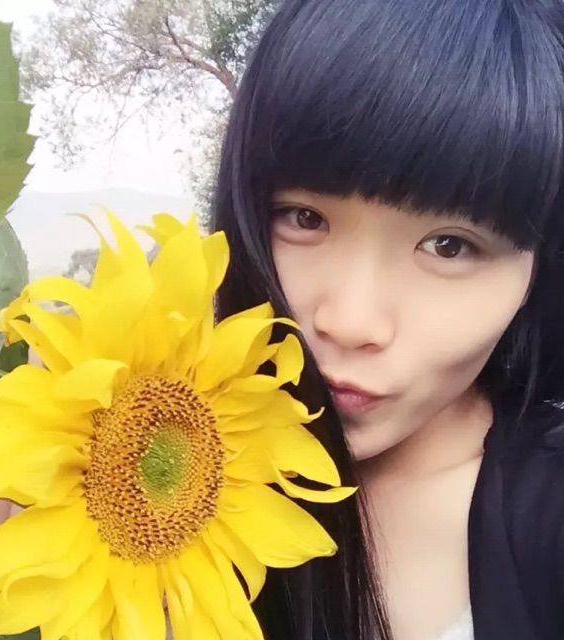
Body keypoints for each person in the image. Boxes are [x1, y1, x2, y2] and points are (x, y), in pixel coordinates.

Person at [210, 1, 564, 639]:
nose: (349, 322)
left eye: (449, 246)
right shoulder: (178, 459)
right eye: (305, 218)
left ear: (536, 272)